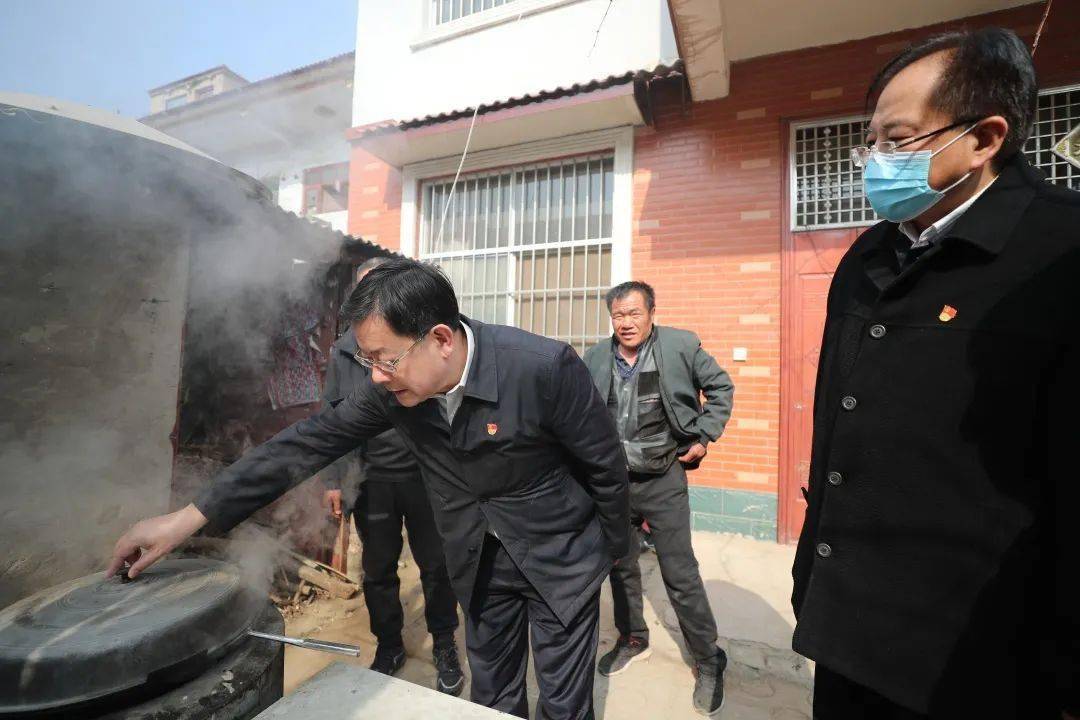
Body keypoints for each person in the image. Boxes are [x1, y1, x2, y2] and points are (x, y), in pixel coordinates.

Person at [107, 257, 629, 720]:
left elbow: (605, 468)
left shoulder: (543, 368)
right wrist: (187, 519)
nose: (376, 377)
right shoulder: (393, 390)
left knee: (563, 704)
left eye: (385, 358)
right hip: (478, 561)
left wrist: (603, 557)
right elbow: (302, 445)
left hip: (560, 557)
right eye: (367, 361)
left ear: (441, 340)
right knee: (493, 699)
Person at [793, 28, 1079, 719]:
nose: (873, 161)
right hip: (845, 631)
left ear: (983, 139)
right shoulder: (867, 256)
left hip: (977, 656)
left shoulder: (1060, 255)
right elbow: (837, 419)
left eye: (896, 140)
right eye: (872, 143)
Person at [583, 281, 734, 715]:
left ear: (651, 313)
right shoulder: (595, 357)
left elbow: (721, 390)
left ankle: (708, 659)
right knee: (621, 567)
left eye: (633, 313)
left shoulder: (681, 346)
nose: (626, 323)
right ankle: (633, 639)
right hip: (614, 484)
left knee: (680, 574)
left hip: (663, 479)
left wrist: (705, 435)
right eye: (618, 315)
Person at [320, 257, 462, 694]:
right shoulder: (345, 351)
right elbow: (331, 418)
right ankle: (389, 644)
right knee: (378, 571)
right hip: (371, 482)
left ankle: (444, 645)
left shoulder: (418, 342)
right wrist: (334, 479)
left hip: (424, 479)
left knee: (436, 567)